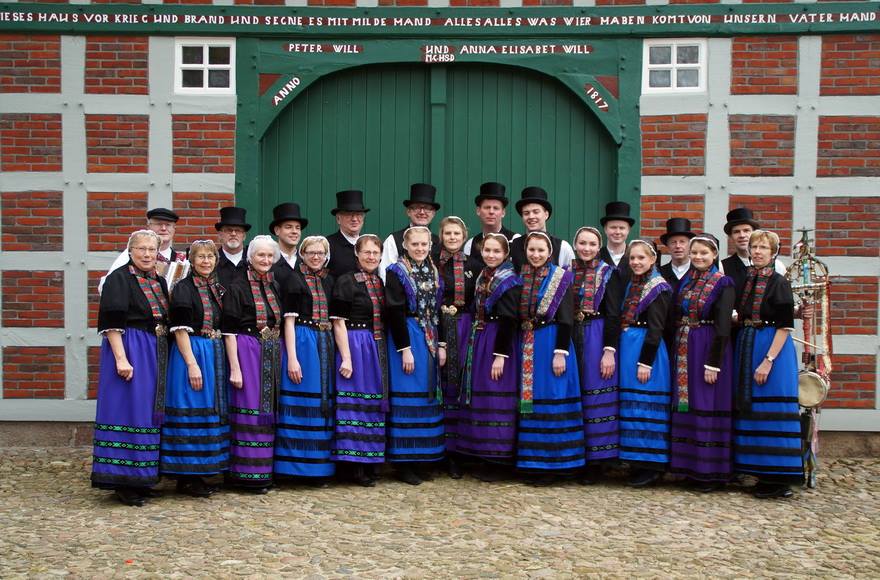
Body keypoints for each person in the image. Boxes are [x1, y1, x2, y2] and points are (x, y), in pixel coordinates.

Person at [92, 230, 170, 507]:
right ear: (130, 251)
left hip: (153, 348)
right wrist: (121, 359)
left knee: (147, 412)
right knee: (128, 410)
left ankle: (142, 476)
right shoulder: (119, 279)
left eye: (151, 249)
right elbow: (111, 321)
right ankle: (122, 481)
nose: (147, 254)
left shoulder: (158, 280)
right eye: (141, 249)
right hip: (130, 346)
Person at [733, 230, 803, 499]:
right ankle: (762, 472)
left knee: (773, 406)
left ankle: (779, 477)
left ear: (774, 252)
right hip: (749, 344)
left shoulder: (779, 282)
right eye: (755, 247)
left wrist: (768, 361)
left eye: (764, 247)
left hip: (772, 348)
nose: (758, 251)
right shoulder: (748, 280)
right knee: (753, 408)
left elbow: (785, 325)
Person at [161, 240, 229, 497]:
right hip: (192, 351)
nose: (205, 261)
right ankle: (186, 476)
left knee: (210, 409)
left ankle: (204, 470)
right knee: (192, 407)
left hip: (213, 352)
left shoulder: (217, 288)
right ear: (191, 260)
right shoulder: (183, 289)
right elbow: (179, 329)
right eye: (200, 257)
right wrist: (191, 364)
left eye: (210, 257)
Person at [515, 232, 585, 480]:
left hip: (551, 342)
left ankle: (558, 465)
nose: (536, 255)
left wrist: (560, 353)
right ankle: (532, 462)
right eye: (531, 250)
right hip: (526, 344)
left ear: (549, 252)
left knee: (553, 398)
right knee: (530, 401)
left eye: (540, 250)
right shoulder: (519, 276)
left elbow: (567, 319)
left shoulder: (561, 277)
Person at [668, 234, 735, 492]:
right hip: (686, 347)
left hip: (708, 347)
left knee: (708, 402)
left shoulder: (723, 283)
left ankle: (710, 471)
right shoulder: (687, 280)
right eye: (694, 252)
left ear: (714, 255)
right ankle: (690, 468)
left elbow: (723, 325)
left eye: (703, 253)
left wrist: (713, 363)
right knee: (689, 403)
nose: (698, 257)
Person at [221, 235, 284, 494]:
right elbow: (229, 330)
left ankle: (263, 470)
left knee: (267, 408)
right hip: (247, 349)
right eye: (261, 255)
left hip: (270, 351)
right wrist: (235, 367)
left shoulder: (274, 285)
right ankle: (243, 473)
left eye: (270, 256)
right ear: (251, 257)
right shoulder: (237, 287)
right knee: (248, 408)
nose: (266, 260)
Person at [384, 226, 445, 485]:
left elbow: (438, 310)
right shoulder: (396, 272)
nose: (420, 248)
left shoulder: (433, 270)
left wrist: (441, 343)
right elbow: (395, 311)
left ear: (430, 246)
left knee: (426, 395)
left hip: (429, 335)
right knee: (407, 395)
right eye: (415, 244)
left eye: (424, 244)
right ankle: (404, 461)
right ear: (405, 246)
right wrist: (405, 349)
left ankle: (424, 456)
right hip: (407, 335)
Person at [459, 233, 522, 480]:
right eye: (487, 250)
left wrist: (500, 355)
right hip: (482, 337)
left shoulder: (509, 280)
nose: (491, 255)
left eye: (496, 251)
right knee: (482, 395)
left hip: (498, 341)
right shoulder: (484, 275)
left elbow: (509, 320)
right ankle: (483, 454)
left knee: (498, 397)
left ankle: (499, 458)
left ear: (505, 254)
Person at [275, 236, 336, 483]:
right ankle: (293, 469)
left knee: (323, 402)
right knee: (300, 399)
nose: (315, 257)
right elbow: (288, 320)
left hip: (325, 342)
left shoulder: (329, 280)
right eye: (310, 252)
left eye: (320, 253)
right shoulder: (293, 279)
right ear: (302, 254)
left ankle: (318, 468)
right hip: (302, 341)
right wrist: (292, 358)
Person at [330, 235, 388, 487]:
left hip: (374, 345)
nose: (371, 257)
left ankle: (370, 460)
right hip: (355, 343)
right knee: (353, 401)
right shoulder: (346, 281)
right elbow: (338, 321)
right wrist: (346, 357)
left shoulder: (379, 282)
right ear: (357, 253)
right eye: (367, 252)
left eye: (376, 253)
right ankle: (352, 465)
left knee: (373, 402)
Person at [617, 239, 673, 487]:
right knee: (631, 404)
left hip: (646, 350)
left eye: (641, 258)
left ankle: (651, 464)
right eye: (632, 258)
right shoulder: (633, 283)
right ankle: (635, 460)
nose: (636, 262)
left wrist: (646, 362)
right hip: (629, 347)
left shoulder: (657, 287)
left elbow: (657, 327)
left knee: (646, 403)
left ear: (653, 260)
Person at [570, 227, 622, 484]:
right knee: (575, 394)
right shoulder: (568, 272)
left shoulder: (609, 273)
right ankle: (574, 456)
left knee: (596, 394)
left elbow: (614, 314)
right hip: (572, 335)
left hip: (596, 334)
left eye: (592, 243)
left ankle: (598, 462)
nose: (586, 248)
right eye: (582, 243)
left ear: (599, 246)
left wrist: (608, 351)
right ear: (575, 244)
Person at [435, 217, 481, 478]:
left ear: (464, 235)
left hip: (467, 327)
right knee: (442, 384)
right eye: (447, 233)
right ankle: (440, 449)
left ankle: (460, 453)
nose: (452, 237)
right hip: (439, 327)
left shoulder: (474, 264)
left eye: (456, 233)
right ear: (441, 235)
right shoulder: (432, 262)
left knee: (464, 382)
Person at [98, 208, 187, 294]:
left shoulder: (183, 260)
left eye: (168, 224)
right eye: (158, 224)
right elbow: (105, 286)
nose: (163, 228)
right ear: (149, 227)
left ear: (174, 228)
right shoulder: (131, 254)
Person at [379, 183, 441, 280]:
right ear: (408, 211)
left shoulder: (437, 241)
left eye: (427, 209)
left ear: (433, 214)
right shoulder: (394, 240)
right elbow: (384, 274)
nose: (422, 212)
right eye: (417, 207)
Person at [720, 207, 786, 293]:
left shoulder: (777, 266)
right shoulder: (722, 267)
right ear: (730, 236)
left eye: (746, 230)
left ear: (754, 233)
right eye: (736, 232)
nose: (742, 235)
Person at [508, 187, 575, 271]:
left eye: (536, 212)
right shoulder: (513, 246)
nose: (531, 216)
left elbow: (571, 279)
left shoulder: (563, 248)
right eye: (526, 213)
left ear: (546, 214)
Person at [462, 182, 519, 266]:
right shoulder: (470, 245)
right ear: (478, 210)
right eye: (487, 207)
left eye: (496, 208)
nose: (491, 212)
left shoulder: (515, 240)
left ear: (503, 212)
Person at [327, 190, 369, 278]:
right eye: (349, 214)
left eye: (358, 214)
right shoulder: (328, 245)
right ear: (338, 219)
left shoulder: (369, 245)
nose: (354, 219)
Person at [269, 202, 308, 290]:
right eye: (288, 227)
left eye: (297, 228)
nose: (294, 231)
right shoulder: (268, 261)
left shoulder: (306, 260)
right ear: (277, 230)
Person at [215, 206, 251, 287]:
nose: (233, 234)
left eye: (238, 230)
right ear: (220, 235)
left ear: (244, 236)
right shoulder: (211, 262)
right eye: (228, 230)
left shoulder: (253, 261)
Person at [599, 201, 635, 282]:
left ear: (628, 230)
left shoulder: (636, 257)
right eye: (613, 227)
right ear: (605, 229)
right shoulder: (596, 256)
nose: (617, 232)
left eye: (622, 228)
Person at [658, 218, 696, 293]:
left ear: (690, 246)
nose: (678, 246)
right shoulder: (659, 274)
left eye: (682, 242)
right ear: (668, 247)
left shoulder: (698, 273)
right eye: (673, 242)